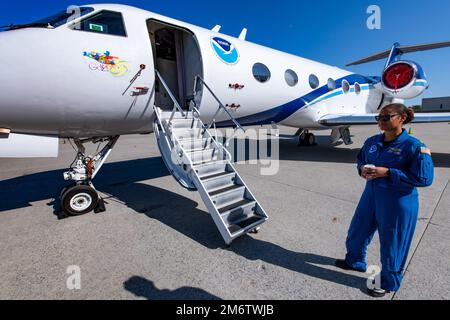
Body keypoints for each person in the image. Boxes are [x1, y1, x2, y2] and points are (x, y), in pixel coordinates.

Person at [335, 103, 434, 297]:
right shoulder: (373, 141)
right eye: (378, 117)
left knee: (393, 243)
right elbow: (361, 158)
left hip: (397, 201)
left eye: (386, 117)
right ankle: (354, 261)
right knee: (358, 230)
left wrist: (388, 173)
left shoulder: (414, 146)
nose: (380, 121)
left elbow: (424, 178)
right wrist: (362, 169)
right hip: (371, 195)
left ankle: (389, 282)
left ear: (402, 118)